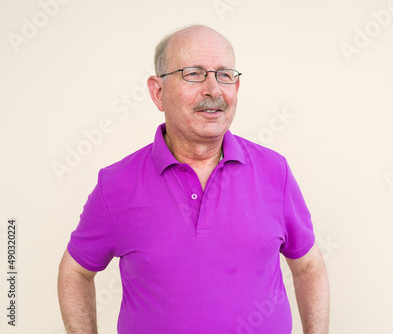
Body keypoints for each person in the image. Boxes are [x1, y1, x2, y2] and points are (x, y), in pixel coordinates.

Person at [58, 25, 330, 334]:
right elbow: (75, 271)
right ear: (157, 92)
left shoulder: (274, 171)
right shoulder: (116, 185)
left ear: (236, 89)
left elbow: (308, 266)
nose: (213, 90)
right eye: (194, 74)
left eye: (224, 75)